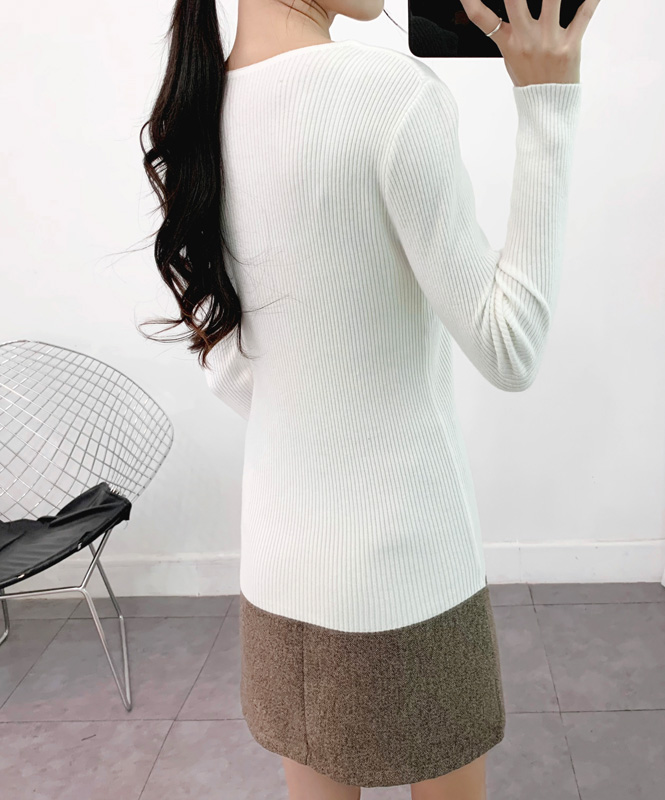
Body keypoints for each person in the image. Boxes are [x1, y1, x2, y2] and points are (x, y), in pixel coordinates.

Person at [140, 0, 601, 797]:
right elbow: (510, 345)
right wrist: (546, 100)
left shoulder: (197, 110)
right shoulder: (389, 96)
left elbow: (234, 370)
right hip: (409, 573)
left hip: (279, 578)